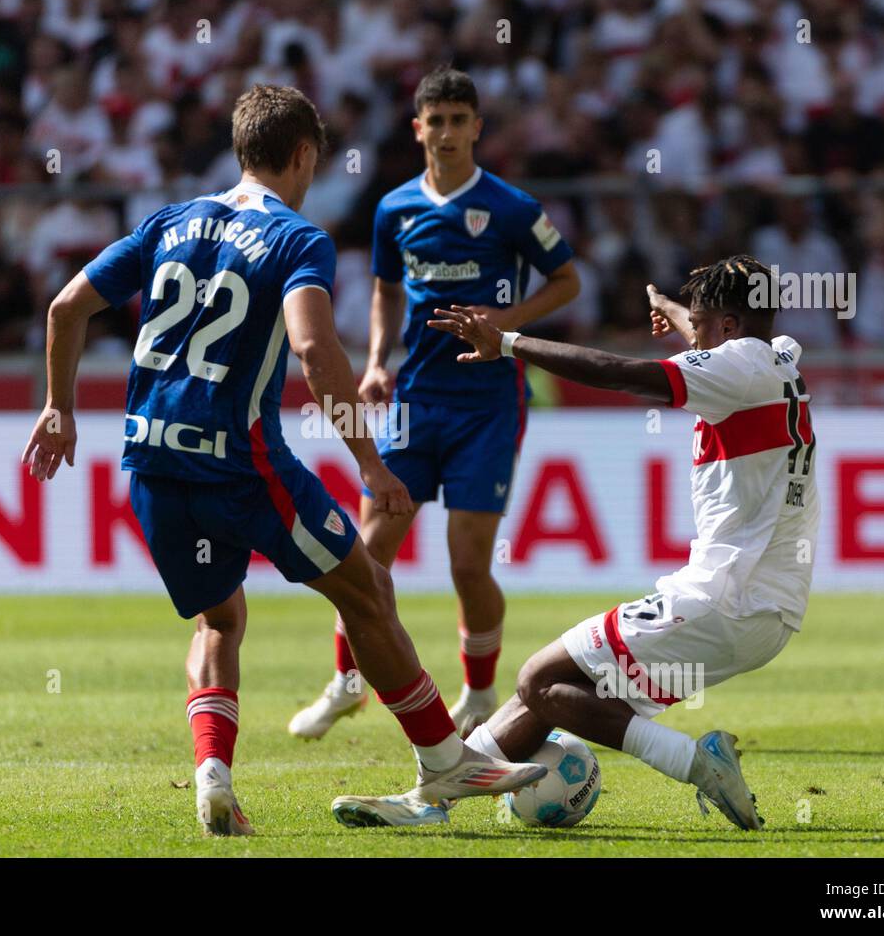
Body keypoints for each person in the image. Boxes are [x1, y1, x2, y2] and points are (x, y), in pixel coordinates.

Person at [20, 84, 545, 837]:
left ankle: (213, 774)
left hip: (149, 463)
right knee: (365, 590)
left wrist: (58, 408)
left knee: (219, 618)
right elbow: (311, 348)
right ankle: (443, 759)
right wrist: (369, 461)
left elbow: (66, 307)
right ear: (303, 156)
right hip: (239, 464)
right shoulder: (299, 239)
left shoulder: (172, 221)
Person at [332, 256, 819, 831]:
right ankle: (430, 797)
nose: (696, 338)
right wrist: (679, 313)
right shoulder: (781, 354)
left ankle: (696, 762)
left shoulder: (734, 368)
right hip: (769, 613)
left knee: (539, 679)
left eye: (702, 323)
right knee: (561, 688)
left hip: (724, 598)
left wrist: (508, 342)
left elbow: (618, 371)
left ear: (732, 328)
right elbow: (725, 346)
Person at [289, 67, 579, 742]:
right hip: (415, 401)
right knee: (365, 552)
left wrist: (508, 321)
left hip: (487, 405)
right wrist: (375, 364)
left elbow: (567, 279)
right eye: (435, 121)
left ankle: (479, 694)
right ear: (417, 129)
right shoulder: (394, 209)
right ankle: (348, 682)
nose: (446, 132)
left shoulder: (509, 207)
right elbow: (388, 290)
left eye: (458, 120)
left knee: (467, 562)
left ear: (476, 127)